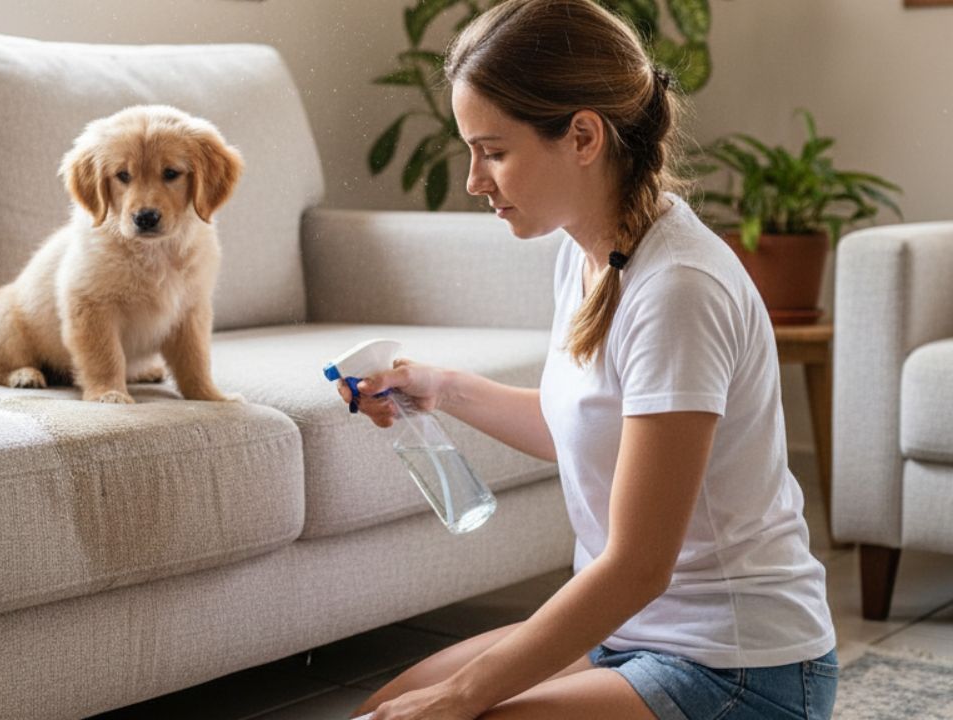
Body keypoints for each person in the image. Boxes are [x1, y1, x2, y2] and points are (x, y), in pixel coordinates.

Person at [336, 1, 838, 718]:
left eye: (494, 151)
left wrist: (458, 700)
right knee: (381, 711)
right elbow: (581, 425)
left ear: (582, 136)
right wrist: (437, 387)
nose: (475, 180)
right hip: (628, 640)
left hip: (742, 671)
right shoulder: (586, 254)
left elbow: (637, 567)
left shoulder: (678, 290)